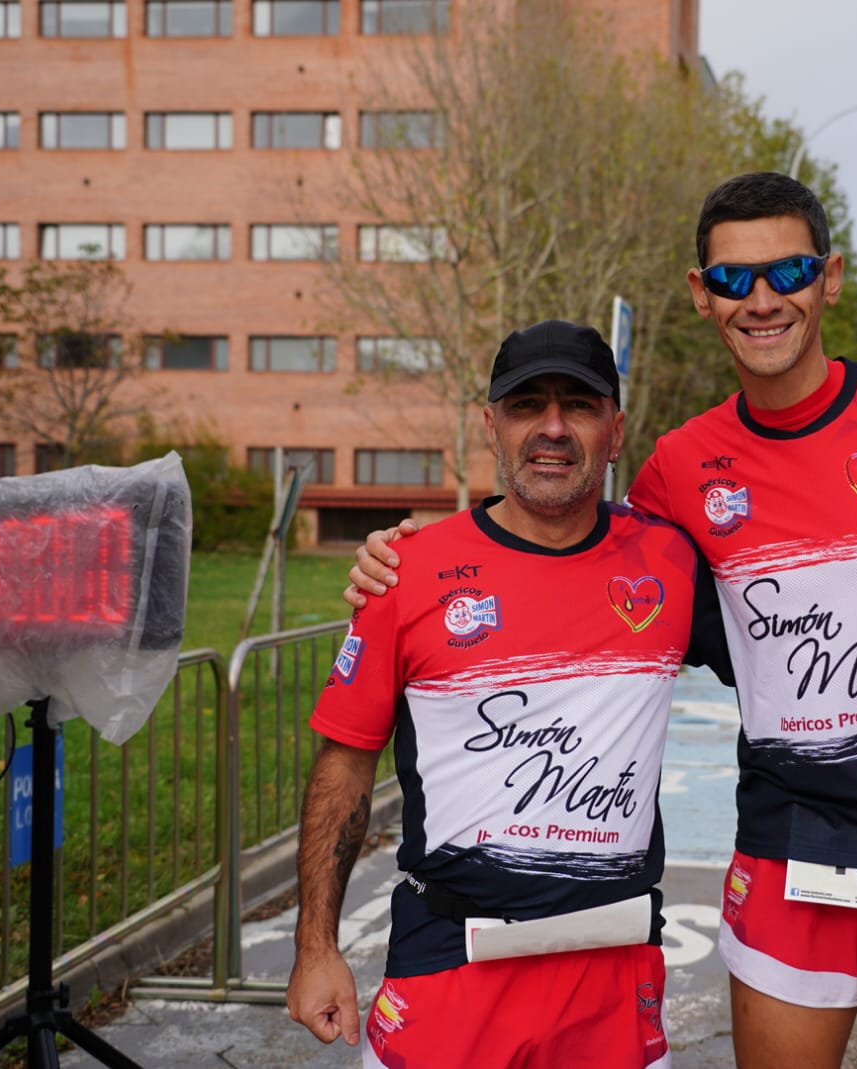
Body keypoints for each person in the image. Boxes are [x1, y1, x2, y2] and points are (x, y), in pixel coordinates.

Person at [348, 172, 857, 1069]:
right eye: (730, 280)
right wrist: (420, 556)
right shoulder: (678, 468)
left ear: (828, 277)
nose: (760, 299)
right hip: (790, 855)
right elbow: (568, 549)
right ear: (700, 295)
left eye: (785, 270)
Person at [286, 320, 735, 1068]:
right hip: (448, 972)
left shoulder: (671, 563)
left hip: (614, 977)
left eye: (579, 405)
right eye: (527, 404)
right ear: (492, 425)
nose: (552, 427)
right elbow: (344, 767)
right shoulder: (407, 571)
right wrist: (316, 946)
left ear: (616, 430)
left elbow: (783, 647)